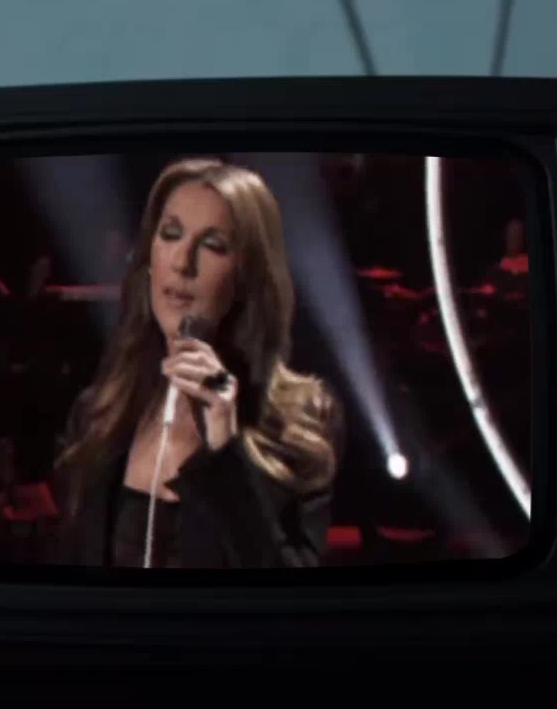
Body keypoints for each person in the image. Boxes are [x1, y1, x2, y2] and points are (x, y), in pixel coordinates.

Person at [53, 158, 344, 569]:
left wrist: (225, 449)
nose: (181, 262)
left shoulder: (303, 421)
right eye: (170, 235)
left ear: (247, 275)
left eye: (213, 245)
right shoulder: (96, 415)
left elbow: (289, 596)